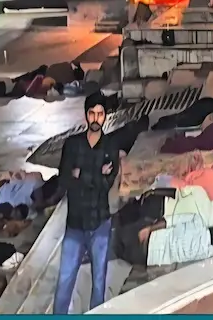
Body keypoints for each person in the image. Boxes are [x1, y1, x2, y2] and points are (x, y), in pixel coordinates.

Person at [53, 92, 120, 315]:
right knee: (64, 280)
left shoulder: (111, 146)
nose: (95, 118)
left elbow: (106, 184)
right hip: (75, 224)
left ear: (105, 117)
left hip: (100, 223)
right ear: (85, 115)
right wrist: (95, 173)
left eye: (100, 114)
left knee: (99, 281)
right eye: (92, 113)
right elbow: (64, 180)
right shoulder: (72, 145)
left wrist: (80, 174)